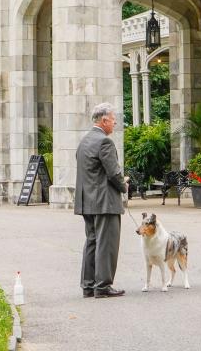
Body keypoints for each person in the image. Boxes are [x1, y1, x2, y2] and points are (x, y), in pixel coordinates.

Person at [74, 103, 129, 298]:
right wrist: (124, 185)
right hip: (105, 202)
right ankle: (103, 286)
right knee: (106, 244)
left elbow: (89, 172)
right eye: (113, 119)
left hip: (87, 201)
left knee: (92, 242)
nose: (115, 123)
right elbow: (113, 172)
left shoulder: (84, 141)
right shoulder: (104, 142)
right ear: (104, 120)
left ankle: (88, 286)